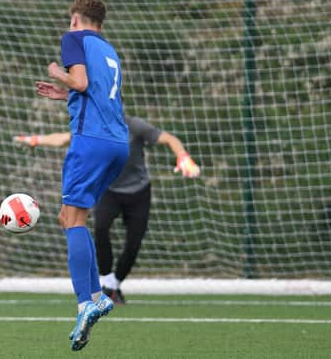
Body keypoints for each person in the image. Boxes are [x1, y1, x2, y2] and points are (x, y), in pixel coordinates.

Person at [15, 116, 201, 305]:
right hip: (109, 191)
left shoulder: (135, 127)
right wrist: (36, 140)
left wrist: (183, 156)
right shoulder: (95, 127)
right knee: (100, 229)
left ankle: (115, 284)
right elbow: (64, 138)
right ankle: (106, 280)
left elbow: (170, 139)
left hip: (139, 192)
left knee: (134, 242)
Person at [36, 0, 129, 351]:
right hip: (117, 143)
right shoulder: (109, 50)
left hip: (90, 141)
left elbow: (80, 81)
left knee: (71, 219)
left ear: (76, 19)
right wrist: (66, 95)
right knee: (72, 216)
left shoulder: (73, 38)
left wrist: (58, 73)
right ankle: (97, 296)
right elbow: (94, 92)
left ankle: (85, 302)